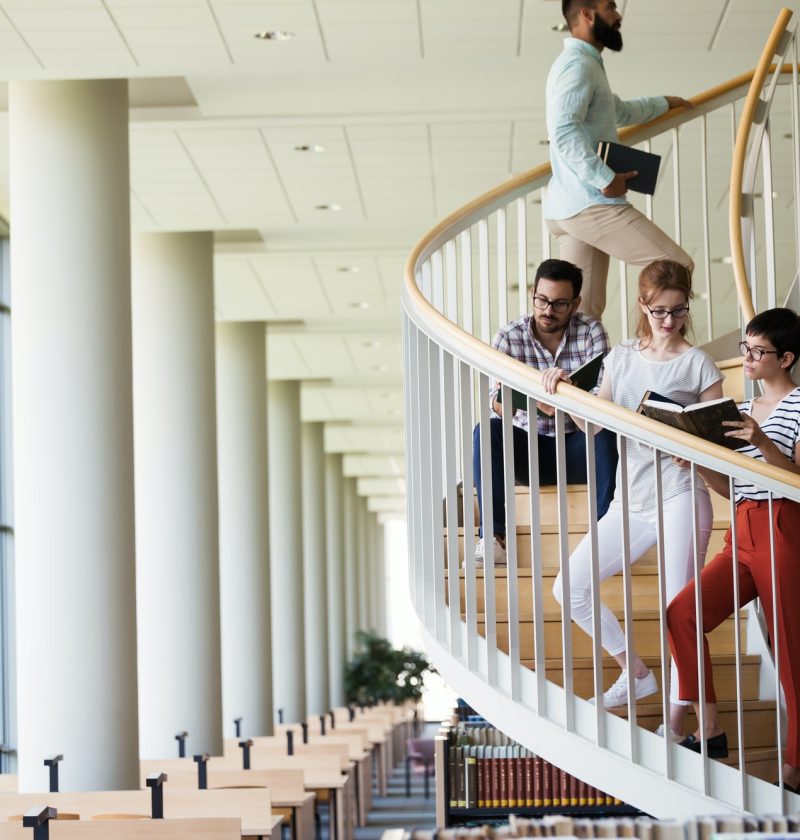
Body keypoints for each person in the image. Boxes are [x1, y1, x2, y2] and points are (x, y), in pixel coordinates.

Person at [549, 260, 723, 730]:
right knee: (570, 586)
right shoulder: (621, 356)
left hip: (681, 494)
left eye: (679, 311)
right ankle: (637, 672)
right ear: (642, 306)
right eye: (660, 311)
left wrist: (699, 447)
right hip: (631, 500)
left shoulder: (697, 362)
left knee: (677, 612)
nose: (669, 321)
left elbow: (720, 431)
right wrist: (565, 395)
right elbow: (595, 423)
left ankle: (675, 722)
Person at [667, 308, 800, 783]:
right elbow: (732, 488)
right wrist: (699, 462)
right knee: (682, 613)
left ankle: (794, 769)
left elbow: (797, 478)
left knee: (791, 652)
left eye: (756, 351)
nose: (746, 357)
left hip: (784, 525)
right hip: (740, 528)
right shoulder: (737, 411)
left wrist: (762, 442)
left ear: (784, 358)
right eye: (744, 347)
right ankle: (712, 729)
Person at [544, 0, 694, 320]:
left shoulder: (584, 63)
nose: (618, 15)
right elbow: (564, 130)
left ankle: (573, 371)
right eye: (610, 7)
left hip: (568, 206)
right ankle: (653, 353)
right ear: (587, 14)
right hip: (590, 202)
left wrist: (664, 103)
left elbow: (620, 111)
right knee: (676, 268)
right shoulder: (578, 65)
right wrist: (605, 178)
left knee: (582, 315)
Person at [472, 258, 617, 565]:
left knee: (609, 432)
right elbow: (497, 407)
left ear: (575, 303)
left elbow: (601, 405)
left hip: (578, 445)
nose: (548, 310)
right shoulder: (508, 338)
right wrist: (519, 395)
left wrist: (567, 397)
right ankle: (493, 538)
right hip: (531, 449)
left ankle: (606, 538)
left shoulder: (592, 332)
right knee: (487, 431)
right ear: (532, 293)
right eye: (542, 300)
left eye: (560, 303)